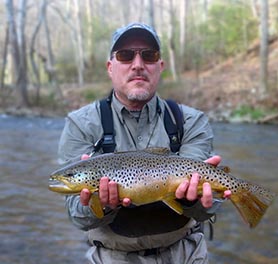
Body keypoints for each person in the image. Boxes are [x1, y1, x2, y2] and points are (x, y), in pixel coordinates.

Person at [58, 22, 231, 264]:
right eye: (125, 55)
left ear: (160, 66)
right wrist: (102, 205)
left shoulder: (191, 121)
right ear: (110, 67)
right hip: (113, 257)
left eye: (149, 55)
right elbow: (77, 216)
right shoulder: (81, 124)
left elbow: (211, 208)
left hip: (186, 253)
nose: (138, 65)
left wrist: (191, 201)